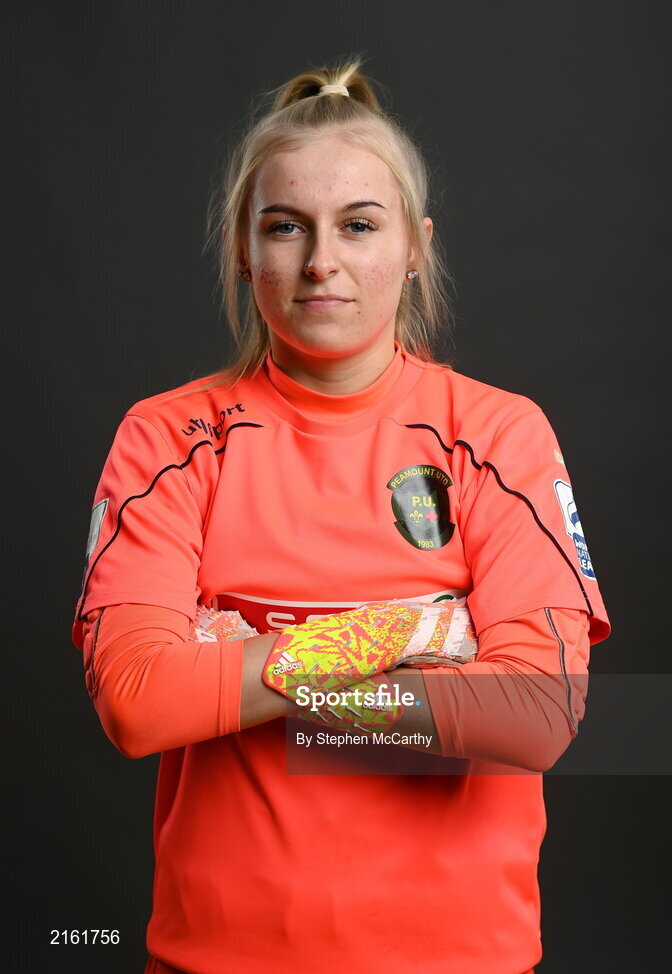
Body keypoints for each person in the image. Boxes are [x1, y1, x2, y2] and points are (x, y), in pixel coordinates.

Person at [72, 57, 610, 974]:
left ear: (414, 247)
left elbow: (536, 709)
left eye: (358, 226)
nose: (321, 262)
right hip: (217, 958)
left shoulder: (497, 434)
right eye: (286, 228)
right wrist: (405, 631)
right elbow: (136, 701)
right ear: (245, 250)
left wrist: (235, 668)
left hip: (462, 958)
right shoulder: (168, 438)